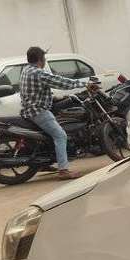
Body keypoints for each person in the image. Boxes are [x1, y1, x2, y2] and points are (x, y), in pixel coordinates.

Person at [19, 47, 98, 180]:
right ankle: (64, 170)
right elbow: (61, 82)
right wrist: (85, 84)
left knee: (50, 135)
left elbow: (36, 90)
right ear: (40, 59)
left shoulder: (26, 70)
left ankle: (44, 164)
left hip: (29, 109)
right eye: (44, 58)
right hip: (39, 111)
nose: (44, 61)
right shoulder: (38, 73)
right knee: (60, 136)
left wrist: (53, 98)